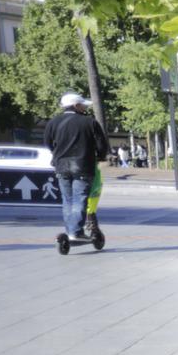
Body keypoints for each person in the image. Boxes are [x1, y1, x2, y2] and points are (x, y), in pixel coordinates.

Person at [44, 93, 107, 249]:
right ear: (76, 106)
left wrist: (57, 153)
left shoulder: (53, 122)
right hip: (83, 165)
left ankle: (70, 231)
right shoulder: (89, 122)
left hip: (61, 166)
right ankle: (75, 232)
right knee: (80, 199)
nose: (85, 107)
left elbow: (47, 142)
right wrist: (100, 156)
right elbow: (101, 143)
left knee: (67, 200)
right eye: (83, 105)